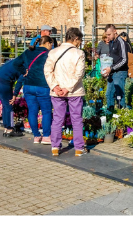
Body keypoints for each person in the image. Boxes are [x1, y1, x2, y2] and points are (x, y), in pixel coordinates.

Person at [45, 27, 87, 157]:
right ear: (75, 39)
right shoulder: (79, 53)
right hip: (74, 91)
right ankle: (79, 148)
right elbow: (79, 73)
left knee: (57, 118)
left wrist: (55, 86)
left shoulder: (53, 52)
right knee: (76, 119)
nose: (80, 43)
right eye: (79, 40)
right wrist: (68, 88)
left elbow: (47, 71)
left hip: (57, 91)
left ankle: (55, 147)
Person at [22, 36, 55, 144]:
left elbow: (17, 64)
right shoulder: (49, 54)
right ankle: (46, 136)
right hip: (43, 85)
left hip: (28, 85)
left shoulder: (28, 52)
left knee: (32, 111)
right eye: (52, 44)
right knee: (46, 112)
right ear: (49, 43)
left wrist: (24, 72)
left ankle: (36, 136)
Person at [0, 51, 26, 137]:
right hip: (4, 82)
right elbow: (20, 82)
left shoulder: (15, 60)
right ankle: (10, 129)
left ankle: (6, 128)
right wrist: (15, 95)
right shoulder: (24, 66)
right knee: (9, 104)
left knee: (5, 104)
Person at [101, 25, 130, 110]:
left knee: (119, 95)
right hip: (112, 71)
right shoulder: (111, 42)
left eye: (109, 34)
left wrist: (112, 68)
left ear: (115, 31)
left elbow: (124, 60)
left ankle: (122, 116)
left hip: (120, 72)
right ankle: (110, 114)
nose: (107, 37)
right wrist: (106, 68)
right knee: (109, 94)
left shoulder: (121, 42)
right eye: (106, 35)